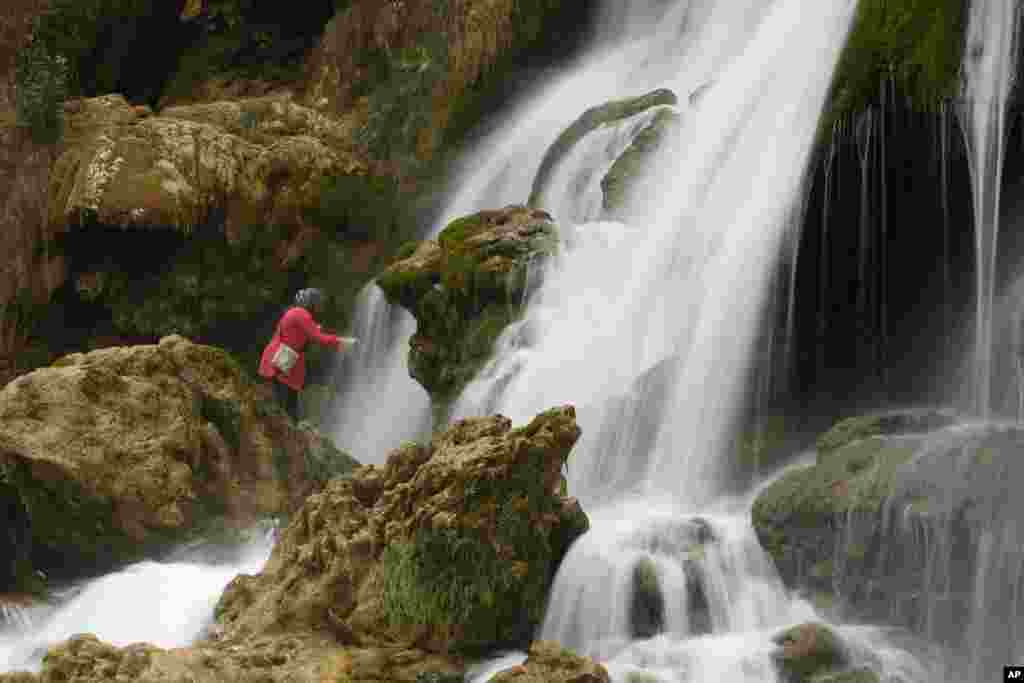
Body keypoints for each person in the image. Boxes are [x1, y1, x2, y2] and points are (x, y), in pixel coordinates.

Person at [258, 288, 355, 421]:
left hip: (283, 359)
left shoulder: (296, 313)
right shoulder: (300, 314)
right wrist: (341, 342)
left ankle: (290, 432)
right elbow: (318, 337)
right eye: (317, 304)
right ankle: (287, 433)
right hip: (281, 360)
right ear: (310, 303)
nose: (319, 307)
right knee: (285, 403)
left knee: (287, 401)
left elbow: (303, 336)